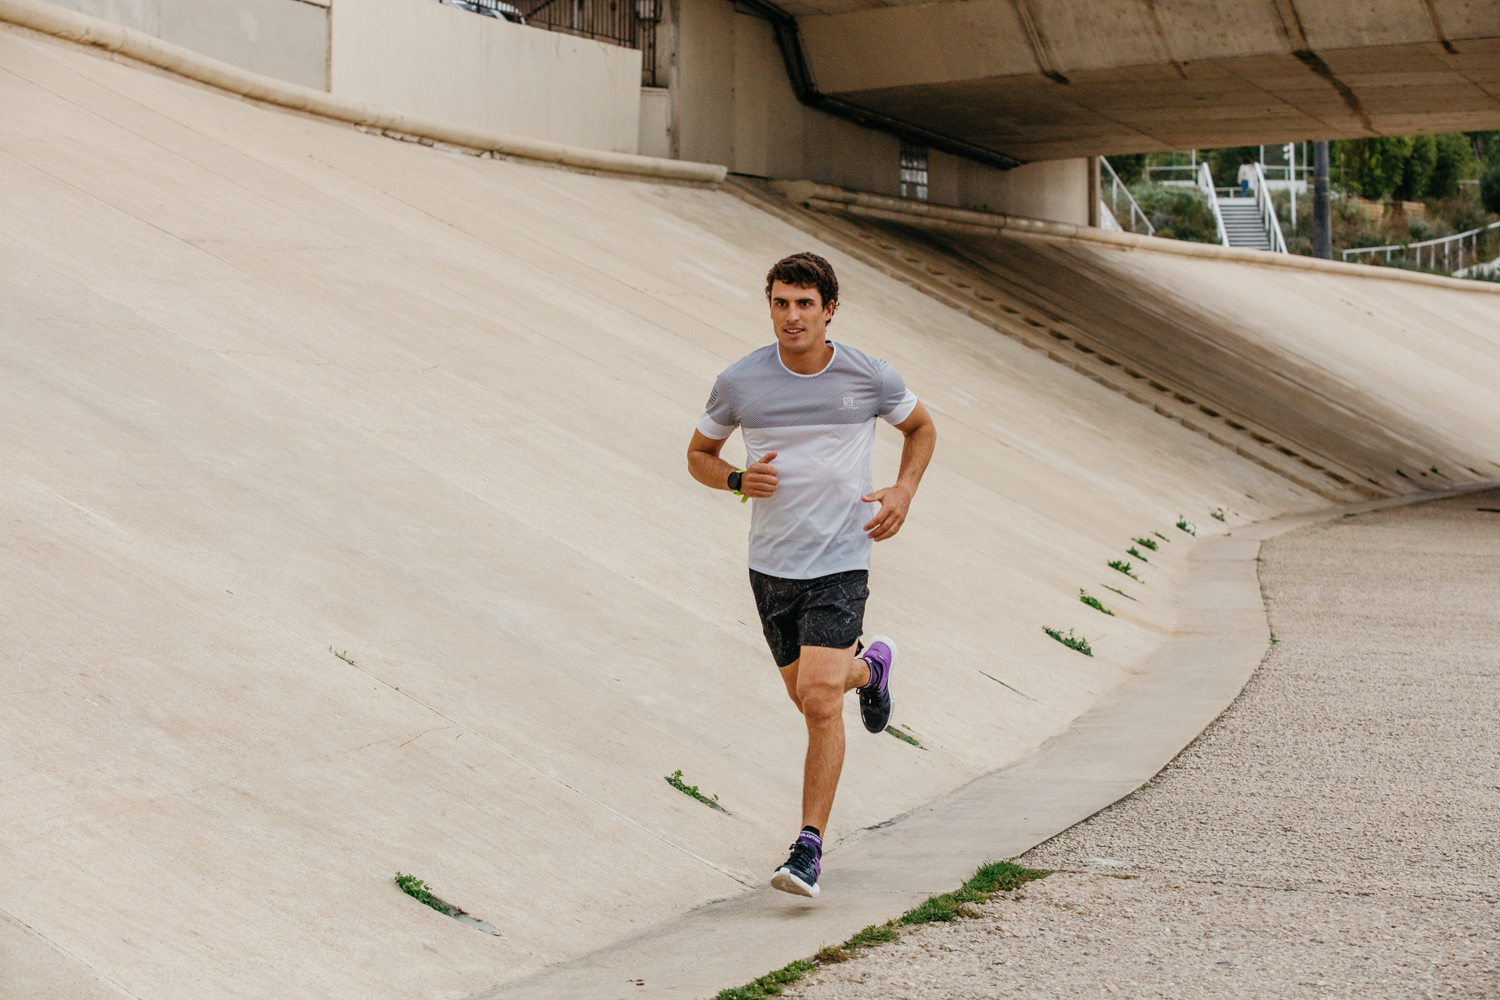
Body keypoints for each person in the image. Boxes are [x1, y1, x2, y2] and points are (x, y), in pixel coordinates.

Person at [686, 252, 937, 899]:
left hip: (841, 559)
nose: (792, 316)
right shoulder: (741, 381)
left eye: (805, 304)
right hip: (771, 567)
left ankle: (808, 848)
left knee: (820, 701)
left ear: (829, 310)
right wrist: (737, 479)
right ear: (769, 306)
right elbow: (699, 455)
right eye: (781, 303)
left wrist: (904, 490)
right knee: (808, 694)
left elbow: (920, 427)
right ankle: (871, 669)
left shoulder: (867, 376)